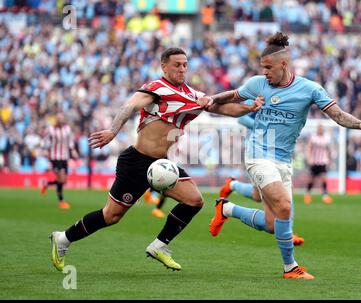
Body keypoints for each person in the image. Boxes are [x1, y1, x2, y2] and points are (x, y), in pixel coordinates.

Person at [49, 48, 263, 272]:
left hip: (161, 166)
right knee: (111, 216)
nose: (182, 69)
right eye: (176, 64)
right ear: (164, 66)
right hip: (136, 162)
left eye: (184, 65)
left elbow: (223, 107)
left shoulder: (193, 94)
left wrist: (248, 108)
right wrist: (112, 131)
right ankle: (63, 238)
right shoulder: (156, 88)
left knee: (194, 200)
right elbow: (129, 106)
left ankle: (159, 245)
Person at [203, 32, 361, 279]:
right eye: (262, 67)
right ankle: (290, 268)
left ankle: (227, 209)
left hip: (283, 160)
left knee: (273, 224)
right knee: (284, 207)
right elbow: (228, 98)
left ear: (284, 64)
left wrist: (360, 124)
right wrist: (211, 100)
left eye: (268, 67)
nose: (264, 72)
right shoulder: (256, 84)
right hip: (258, 154)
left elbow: (336, 114)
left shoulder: (310, 89)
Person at [219, 111, 305, 246]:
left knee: (257, 195)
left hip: (278, 152)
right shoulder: (259, 94)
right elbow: (241, 118)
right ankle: (288, 232)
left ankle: (232, 186)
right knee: (280, 194)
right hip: (258, 152)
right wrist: (266, 128)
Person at [40, 113, 78, 209]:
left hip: (64, 157)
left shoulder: (67, 129)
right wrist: (44, 150)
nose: (60, 120)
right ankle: (61, 201)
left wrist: (73, 150)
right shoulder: (51, 129)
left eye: (61, 118)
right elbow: (45, 140)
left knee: (63, 180)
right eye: (58, 118)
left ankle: (47, 184)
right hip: (54, 157)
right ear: (56, 120)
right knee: (61, 178)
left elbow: (70, 141)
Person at [304, 124, 333, 205]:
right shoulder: (313, 137)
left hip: (323, 161)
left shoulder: (326, 138)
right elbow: (309, 147)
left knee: (324, 178)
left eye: (321, 129)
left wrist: (330, 159)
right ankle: (308, 194)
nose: (320, 130)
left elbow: (329, 149)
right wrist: (309, 158)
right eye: (319, 128)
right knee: (311, 179)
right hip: (314, 161)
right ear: (317, 129)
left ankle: (325, 195)